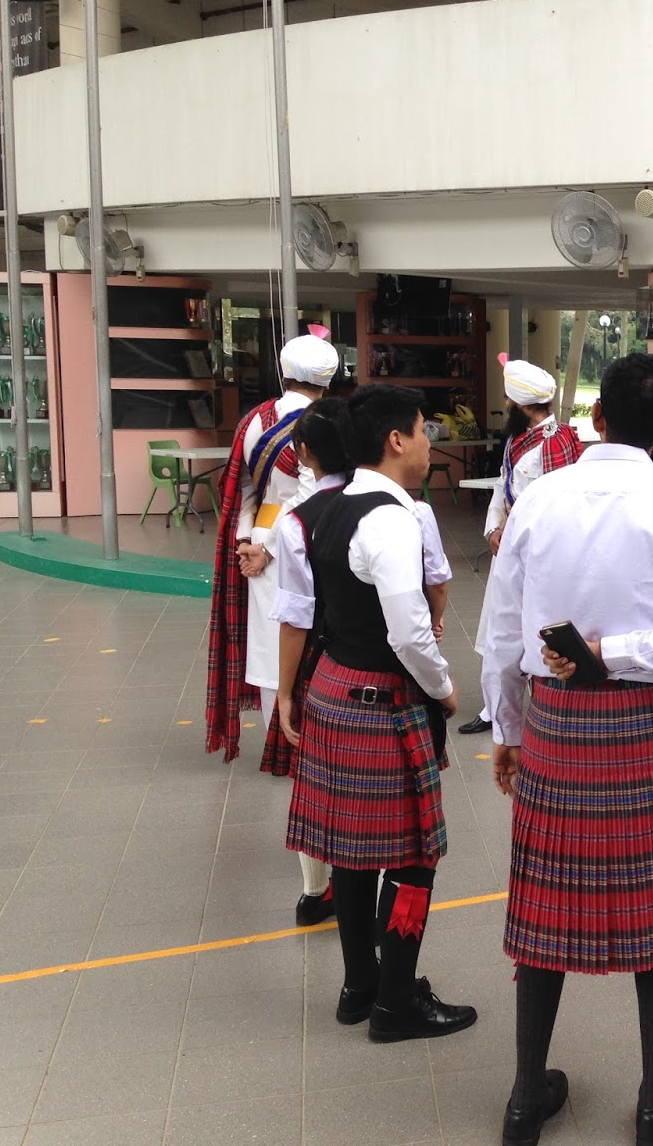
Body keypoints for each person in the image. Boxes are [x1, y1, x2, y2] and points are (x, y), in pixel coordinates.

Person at [481, 353, 653, 1146]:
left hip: (556, 729)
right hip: (647, 729)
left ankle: (528, 1099)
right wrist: (621, 651)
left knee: (544, 909)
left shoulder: (537, 495)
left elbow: (501, 629)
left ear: (597, 420)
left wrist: (508, 729)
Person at [283, 384, 476, 1043]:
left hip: (336, 688)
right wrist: (445, 691)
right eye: (424, 429)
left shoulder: (326, 507)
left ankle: (359, 985)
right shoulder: (393, 518)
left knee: (353, 855)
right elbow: (410, 633)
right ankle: (395, 1001)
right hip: (381, 700)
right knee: (415, 859)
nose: (430, 441)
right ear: (396, 440)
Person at [204, 326, 339, 925]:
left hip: (262, 540)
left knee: (272, 646)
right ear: (328, 379)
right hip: (313, 544)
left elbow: (245, 492)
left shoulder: (255, 420)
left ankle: (280, 734)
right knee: (315, 649)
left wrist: (246, 544)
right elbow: (321, 495)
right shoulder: (334, 423)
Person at [264, 399, 454, 776]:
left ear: (305, 452)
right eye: (422, 430)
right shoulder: (403, 513)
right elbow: (425, 606)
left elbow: (297, 619)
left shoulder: (300, 520)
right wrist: (442, 680)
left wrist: (285, 692)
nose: (428, 441)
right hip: (390, 687)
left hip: (330, 672)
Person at [459, 358, 583, 737]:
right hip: (510, 549)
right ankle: (493, 710)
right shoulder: (517, 439)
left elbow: (564, 506)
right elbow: (503, 483)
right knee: (499, 630)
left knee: (542, 628)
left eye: (510, 401)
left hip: (543, 556)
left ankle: (552, 703)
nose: (506, 406)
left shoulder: (558, 442)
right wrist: (493, 527)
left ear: (523, 406)